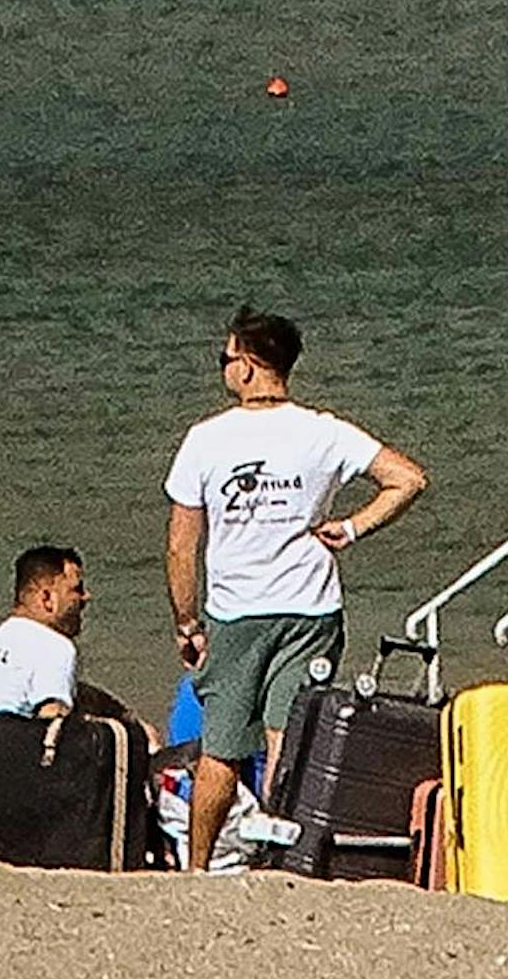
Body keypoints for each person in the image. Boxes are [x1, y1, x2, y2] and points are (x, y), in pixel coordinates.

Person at [164, 305, 427, 872]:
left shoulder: (207, 439)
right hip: (310, 608)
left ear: (251, 365)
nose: (224, 369)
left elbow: (182, 546)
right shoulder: (323, 431)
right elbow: (408, 479)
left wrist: (187, 623)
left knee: (222, 747)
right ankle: (277, 859)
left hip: (237, 612)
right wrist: (353, 527)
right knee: (289, 737)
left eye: (226, 358)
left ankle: (198, 864)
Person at [0, 546, 90, 719]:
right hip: (12, 743)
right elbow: (53, 718)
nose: (86, 597)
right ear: (46, 598)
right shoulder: (55, 646)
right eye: (77, 589)